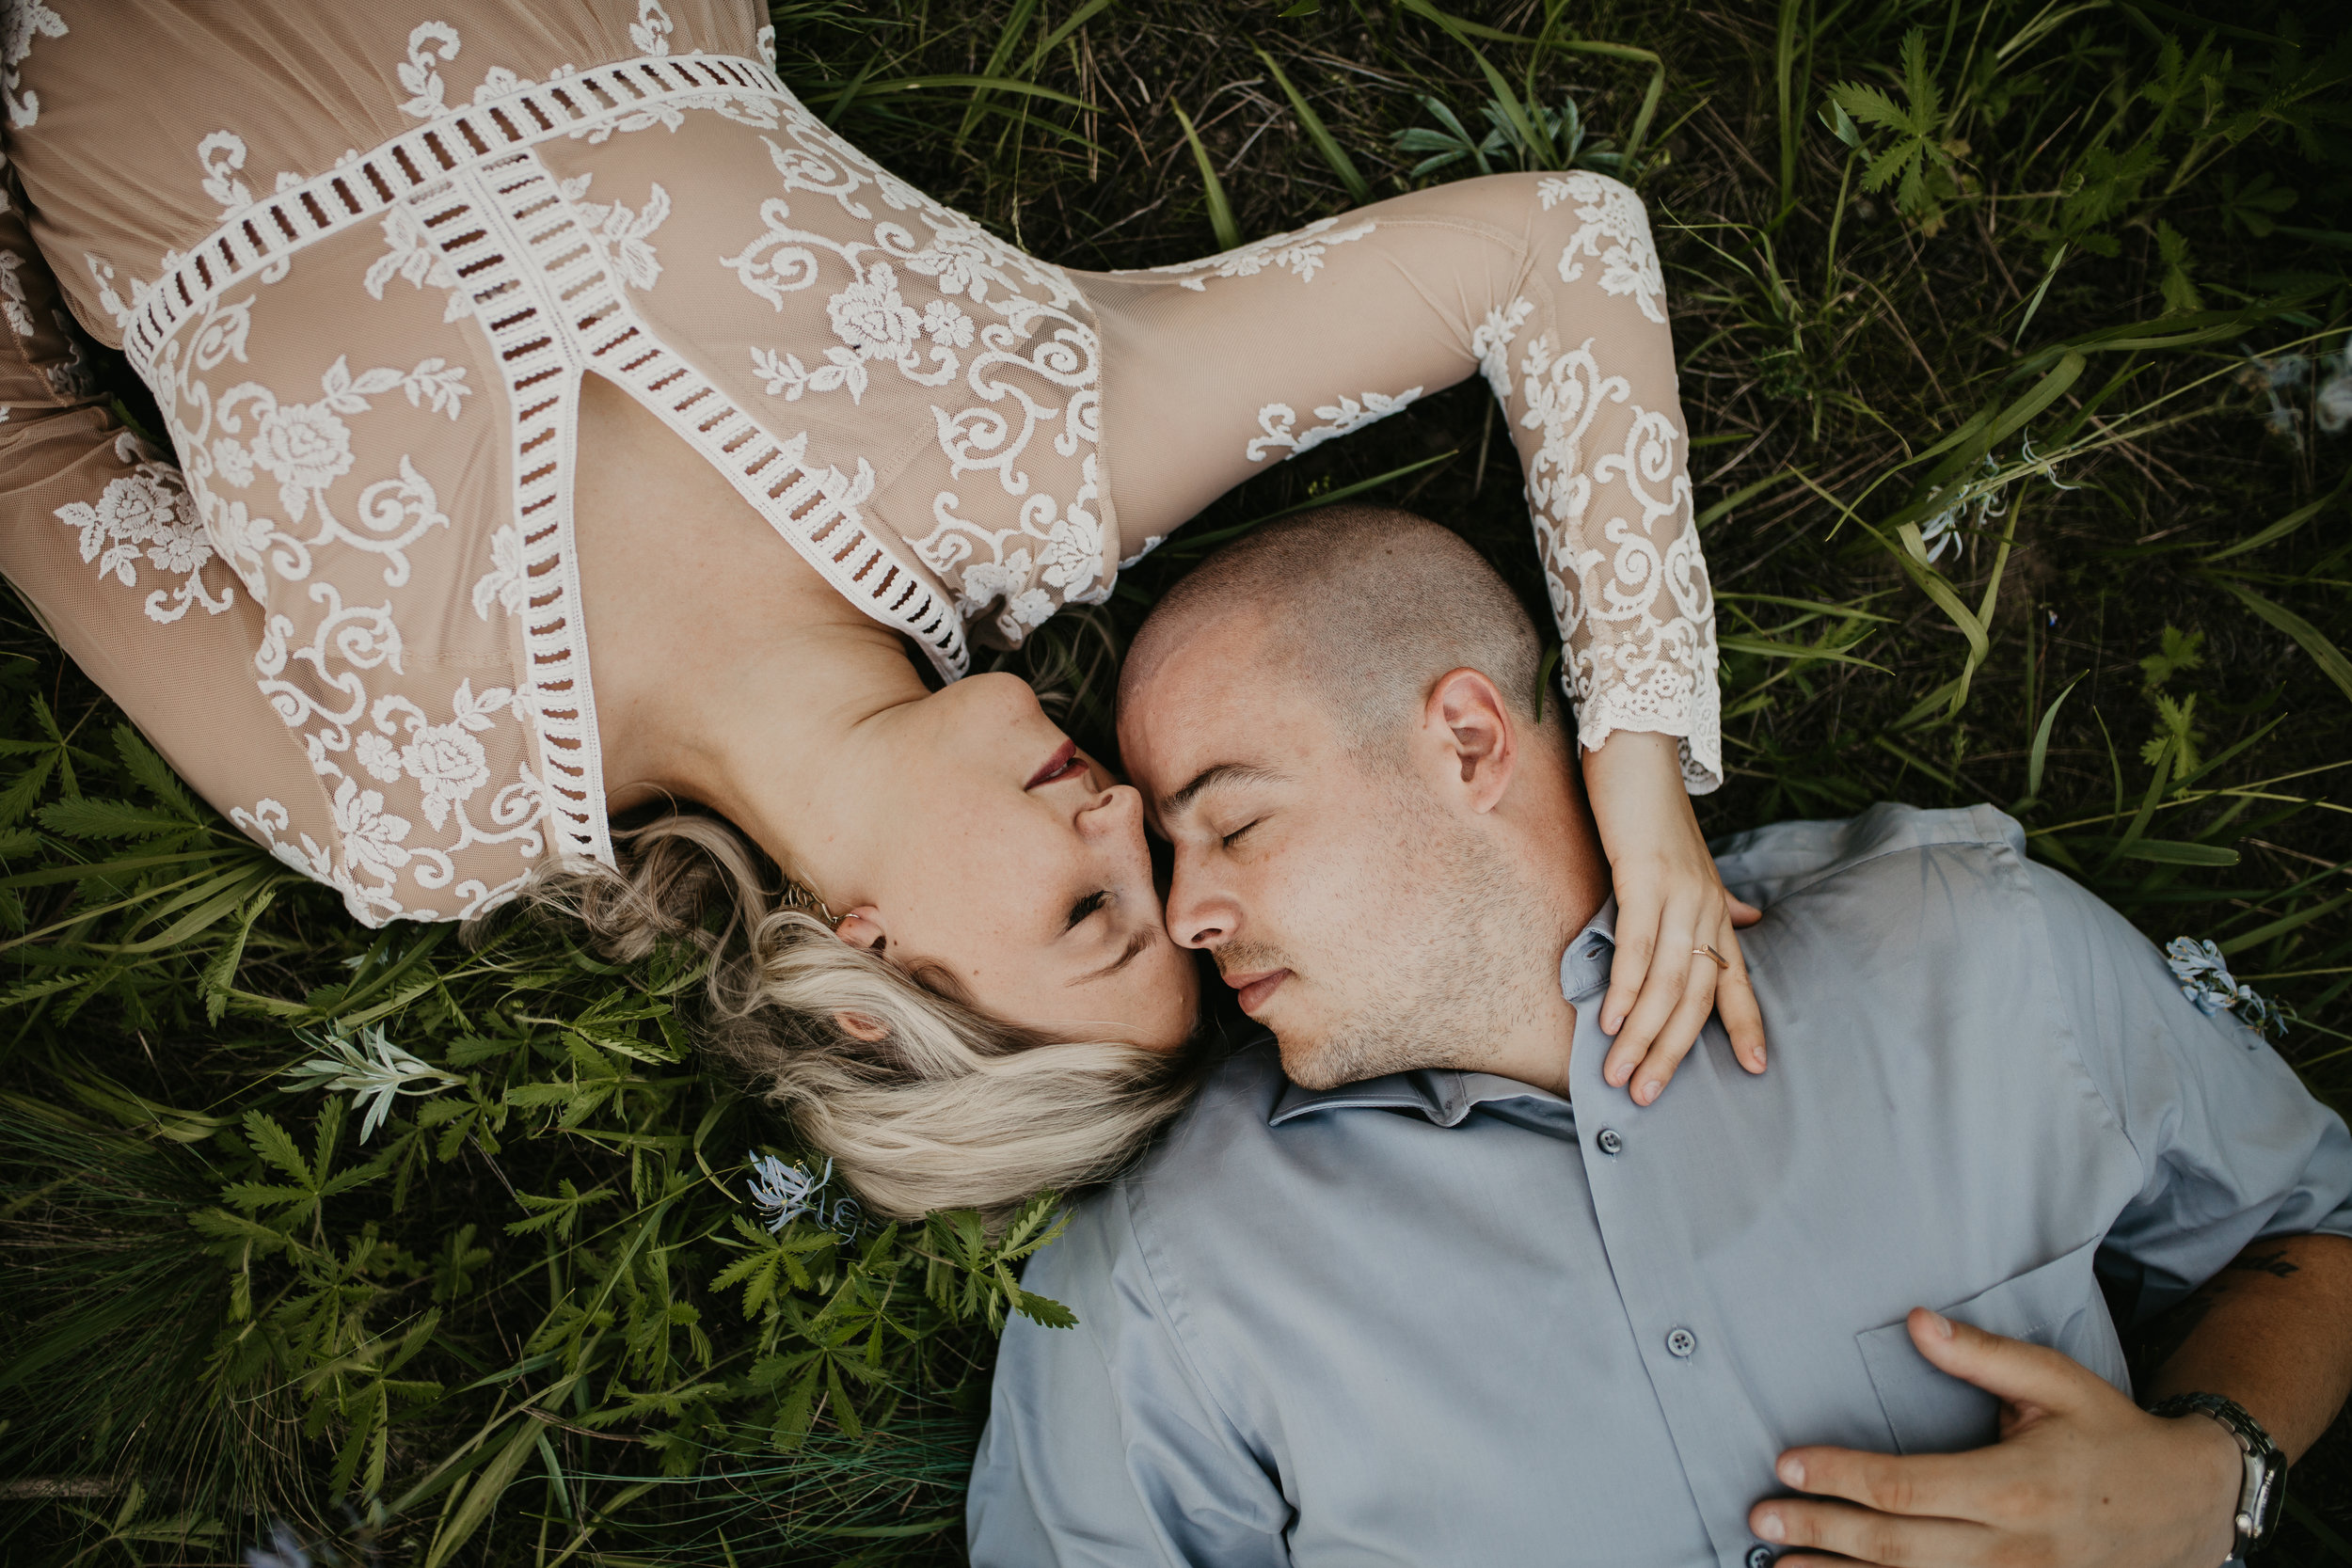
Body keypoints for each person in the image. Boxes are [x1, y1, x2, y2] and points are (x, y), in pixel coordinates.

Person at [0, 1, 1756, 1214]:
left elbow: (23, 448)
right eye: (1160, 880)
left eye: (1091, 912)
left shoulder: (401, 806)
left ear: (870, 984)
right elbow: (1554, 255)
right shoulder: (1038, 460)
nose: (1133, 817)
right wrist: (1641, 779)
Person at [967, 507, 2352, 1568]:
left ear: (1464, 742)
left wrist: (2213, 1479)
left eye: (1236, 821)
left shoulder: (1966, 955)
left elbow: (2311, 1232)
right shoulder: (1160, 1275)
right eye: (1168, 849)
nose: (1191, 912)